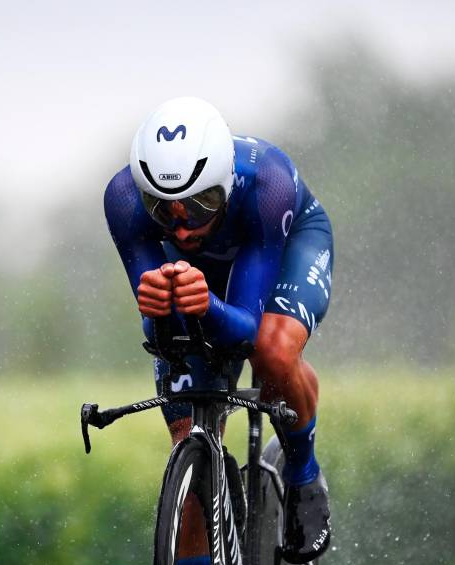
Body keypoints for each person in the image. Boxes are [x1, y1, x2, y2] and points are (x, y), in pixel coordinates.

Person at [104, 97, 333, 564]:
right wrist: (161, 309)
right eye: (165, 212)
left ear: (226, 184)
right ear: (144, 196)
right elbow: (163, 335)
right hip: (198, 279)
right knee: (188, 450)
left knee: (271, 349)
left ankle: (304, 475)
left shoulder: (266, 184)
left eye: (202, 204)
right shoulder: (124, 199)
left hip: (280, 248)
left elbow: (245, 330)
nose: (183, 230)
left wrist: (206, 302)